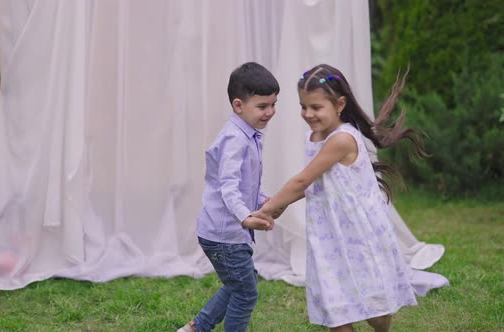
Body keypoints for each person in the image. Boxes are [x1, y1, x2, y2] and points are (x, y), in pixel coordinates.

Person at [254, 64, 425, 332]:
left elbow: (302, 179)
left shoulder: (342, 139)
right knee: (336, 308)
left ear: (340, 104)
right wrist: (276, 207)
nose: (308, 114)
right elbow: (309, 185)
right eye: (303, 106)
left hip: (358, 233)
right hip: (328, 233)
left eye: (316, 107)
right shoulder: (314, 136)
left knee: (375, 310)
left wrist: (269, 207)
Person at [178, 62, 280, 332]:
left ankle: (196, 328)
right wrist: (245, 216)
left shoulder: (249, 136)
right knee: (246, 292)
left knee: (240, 284)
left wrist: (261, 201)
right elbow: (228, 187)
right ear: (238, 106)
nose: (269, 112)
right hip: (224, 235)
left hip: (227, 232)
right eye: (262, 106)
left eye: (273, 104)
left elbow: (247, 182)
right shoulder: (235, 139)